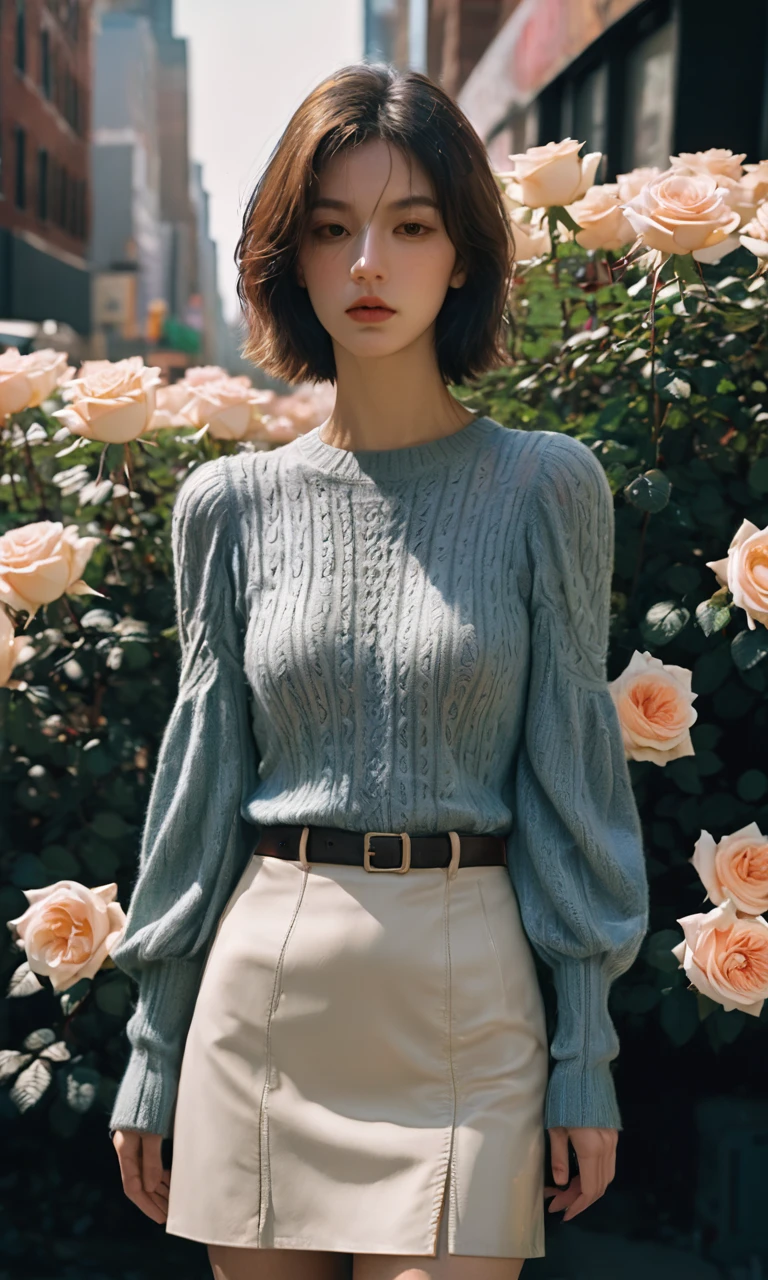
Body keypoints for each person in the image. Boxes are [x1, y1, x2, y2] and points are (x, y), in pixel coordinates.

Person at [109, 61, 649, 1280]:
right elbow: (197, 790)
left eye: (410, 226)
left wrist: (584, 1053)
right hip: (265, 996)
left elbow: (574, 776)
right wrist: (154, 1042)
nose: (369, 264)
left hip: (470, 991)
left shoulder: (546, 486)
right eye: (332, 228)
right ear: (289, 260)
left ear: (462, 255)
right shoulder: (226, 505)